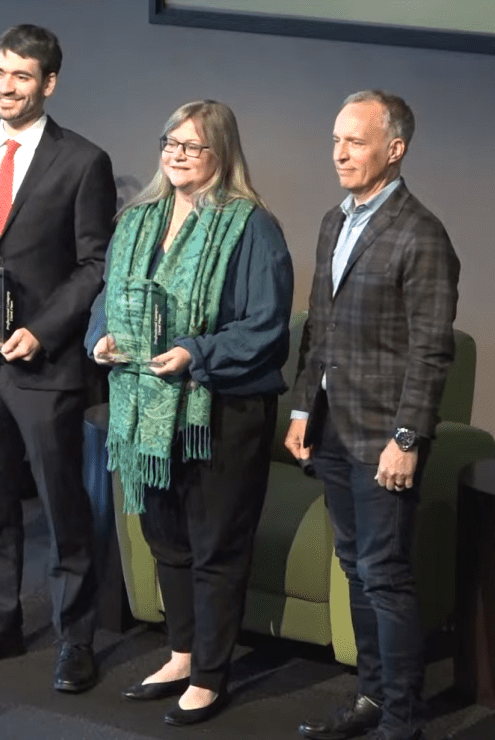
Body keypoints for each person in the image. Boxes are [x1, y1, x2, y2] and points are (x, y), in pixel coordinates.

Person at [86, 100, 293, 726]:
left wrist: (194, 352)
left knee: (214, 546)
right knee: (166, 539)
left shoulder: (251, 225)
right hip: (146, 407)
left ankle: (210, 673)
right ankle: (180, 653)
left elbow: (266, 328)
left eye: (192, 146)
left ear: (222, 154)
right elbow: (107, 298)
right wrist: (100, 337)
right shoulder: (138, 218)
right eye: (170, 143)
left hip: (220, 411)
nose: (176, 155)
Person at [0, 24, 116, 693]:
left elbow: (96, 261)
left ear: (49, 83)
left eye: (19, 76)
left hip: (45, 367)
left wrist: (42, 330)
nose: (4, 87)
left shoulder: (83, 161)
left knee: (65, 507)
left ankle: (75, 639)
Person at [288, 91, 459, 740]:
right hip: (331, 429)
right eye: (336, 139)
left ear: (395, 149)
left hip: (384, 438)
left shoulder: (421, 235)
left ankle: (404, 721)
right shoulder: (337, 219)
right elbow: (320, 328)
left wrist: (407, 439)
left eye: (355, 142)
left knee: (386, 577)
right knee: (355, 569)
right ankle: (371, 700)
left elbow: (431, 351)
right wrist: (304, 406)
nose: (340, 152)